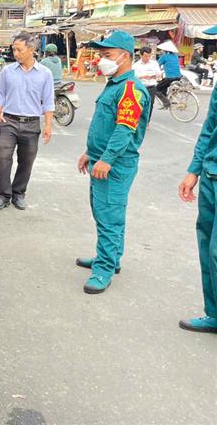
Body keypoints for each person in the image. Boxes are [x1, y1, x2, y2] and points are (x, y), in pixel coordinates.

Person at [76, 31, 149, 294]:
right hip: (101, 159)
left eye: (107, 55)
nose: (101, 60)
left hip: (115, 164)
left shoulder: (130, 89)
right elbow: (104, 125)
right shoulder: (115, 85)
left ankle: (104, 269)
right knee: (105, 212)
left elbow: (124, 129)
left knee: (109, 216)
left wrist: (106, 159)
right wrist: (90, 152)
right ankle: (111, 258)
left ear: (124, 56)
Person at [179, 24, 217, 333]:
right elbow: (209, 128)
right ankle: (214, 313)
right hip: (211, 174)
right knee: (206, 247)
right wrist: (194, 170)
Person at [0, 32, 55, 211]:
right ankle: (3, 195)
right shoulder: (7, 71)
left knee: (26, 160)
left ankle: (18, 193)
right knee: (3, 157)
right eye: (14, 49)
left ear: (31, 49)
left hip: (31, 123)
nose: (15, 53)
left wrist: (48, 125)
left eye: (19, 50)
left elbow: (48, 101)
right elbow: (1, 93)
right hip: (8, 121)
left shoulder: (45, 74)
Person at [133, 46, 162, 121]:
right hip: (140, 87)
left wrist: (154, 76)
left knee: (150, 104)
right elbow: (133, 78)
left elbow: (159, 74)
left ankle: (147, 121)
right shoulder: (136, 65)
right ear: (141, 55)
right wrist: (142, 77)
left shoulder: (154, 63)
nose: (148, 58)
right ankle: (137, 120)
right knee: (139, 104)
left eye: (149, 56)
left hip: (151, 87)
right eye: (146, 56)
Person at [156, 40, 182, 109]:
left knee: (157, 89)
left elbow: (157, 65)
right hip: (178, 77)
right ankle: (165, 103)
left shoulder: (164, 56)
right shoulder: (175, 56)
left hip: (170, 77)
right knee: (164, 87)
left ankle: (166, 103)